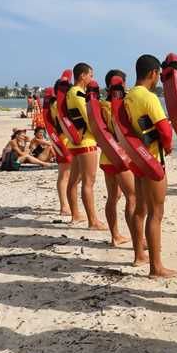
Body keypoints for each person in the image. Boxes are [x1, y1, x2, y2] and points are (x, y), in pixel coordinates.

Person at [124, 55, 176, 276]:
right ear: (154, 73)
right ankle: (156, 267)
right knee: (156, 213)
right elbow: (164, 129)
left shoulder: (129, 97)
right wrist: (169, 146)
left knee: (140, 209)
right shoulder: (149, 98)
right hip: (154, 160)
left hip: (137, 159)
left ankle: (139, 255)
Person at [65, 62, 106, 230]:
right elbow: (89, 117)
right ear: (83, 75)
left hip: (74, 143)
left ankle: (76, 214)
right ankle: (93, 221)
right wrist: (102, 136)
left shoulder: (69, 93)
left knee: (74, 180)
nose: (92, 78)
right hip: (86, 142)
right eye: (91, 75)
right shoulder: (78, 93)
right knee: (88, 182)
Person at [99, 69, 134, 247]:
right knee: (132, 197)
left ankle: (115, 236)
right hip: (121, 156)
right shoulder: (123, 104)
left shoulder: (99, 105)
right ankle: (138, 239)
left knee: (113, 197)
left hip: (106, 155)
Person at [48, 92, 75, 216]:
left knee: (68, 175)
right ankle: (64, 205)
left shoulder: (54, 104)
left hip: (64, 139)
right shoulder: (56, 104)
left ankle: (66, 204)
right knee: (65, 174)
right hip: (64, 140)